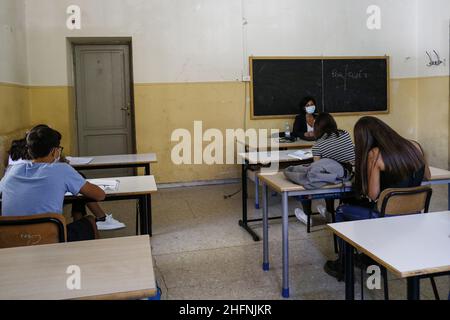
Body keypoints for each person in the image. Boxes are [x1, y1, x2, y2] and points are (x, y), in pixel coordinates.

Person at [324, 116, 431, 280]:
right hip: (413, 217)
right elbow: (427, 176)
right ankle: (368, 258)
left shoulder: (375, 154)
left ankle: (344, 266)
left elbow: (372, 194)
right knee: (359, 204)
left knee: (342, 209)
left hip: (386, 219)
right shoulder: (415, 146)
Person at [0, 126, 121, 241]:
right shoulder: (62, 170)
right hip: (48, 237)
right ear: (54, 151)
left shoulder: (12, 171)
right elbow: (99, 195)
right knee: (89, 222)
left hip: (9, 238)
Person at [294, 113, 355, 225]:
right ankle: (330, 212)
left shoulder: (318, 145)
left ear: (317, 127)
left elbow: (317, 169)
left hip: (335, 181)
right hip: (351, 177)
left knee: (308, 179)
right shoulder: (345, 134)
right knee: (330, 174)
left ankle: (308, 216)